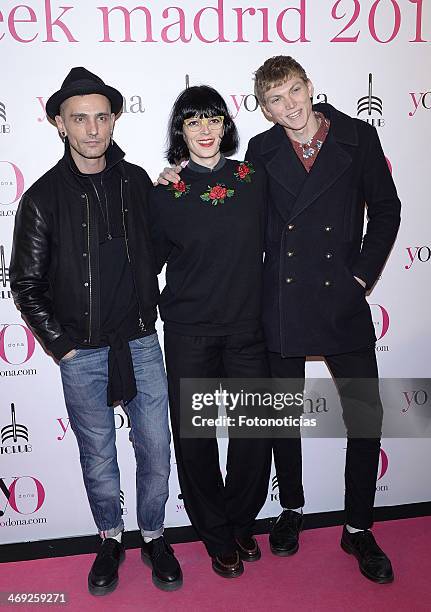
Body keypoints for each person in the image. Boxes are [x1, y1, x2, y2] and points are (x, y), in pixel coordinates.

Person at [158, 56, 401, 584]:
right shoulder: (261, 154)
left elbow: (387, 208)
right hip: (281, 305)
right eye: (275, 99)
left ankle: (358, 527)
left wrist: (361, 276)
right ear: (262, 109)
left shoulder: (359, 137)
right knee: (279, 418)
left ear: (310, 87)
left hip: (341, 301)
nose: (288, 105)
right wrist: (175, 179)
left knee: (365, 416)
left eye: (294, 91)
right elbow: (222, 203)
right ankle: (290, 509)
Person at [9, 67, 182, 595]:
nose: (91, 129)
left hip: (140, 342)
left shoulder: (135, 182)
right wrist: (60, 348)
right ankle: (111, 537)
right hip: (80, 353)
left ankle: (153, 533)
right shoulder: (41, 198)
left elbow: (163, 247)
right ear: (60, 124)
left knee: (155, 448)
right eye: (79, 118)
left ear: (113, 120)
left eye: (101, 117)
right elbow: (25, 282)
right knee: (98, 454)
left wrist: (175, 196)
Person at [149, 85, 272, 578]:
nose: (205, 129)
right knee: (196, 441)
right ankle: (216, 535)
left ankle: (242, 523)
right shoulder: (165, 192)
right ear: (180, 129)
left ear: (226, 126)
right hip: (189, 333)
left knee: (254, 433)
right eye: (193, 120)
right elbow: (148, 261)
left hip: (247, 330)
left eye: (214, 119)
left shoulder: (252, 178)